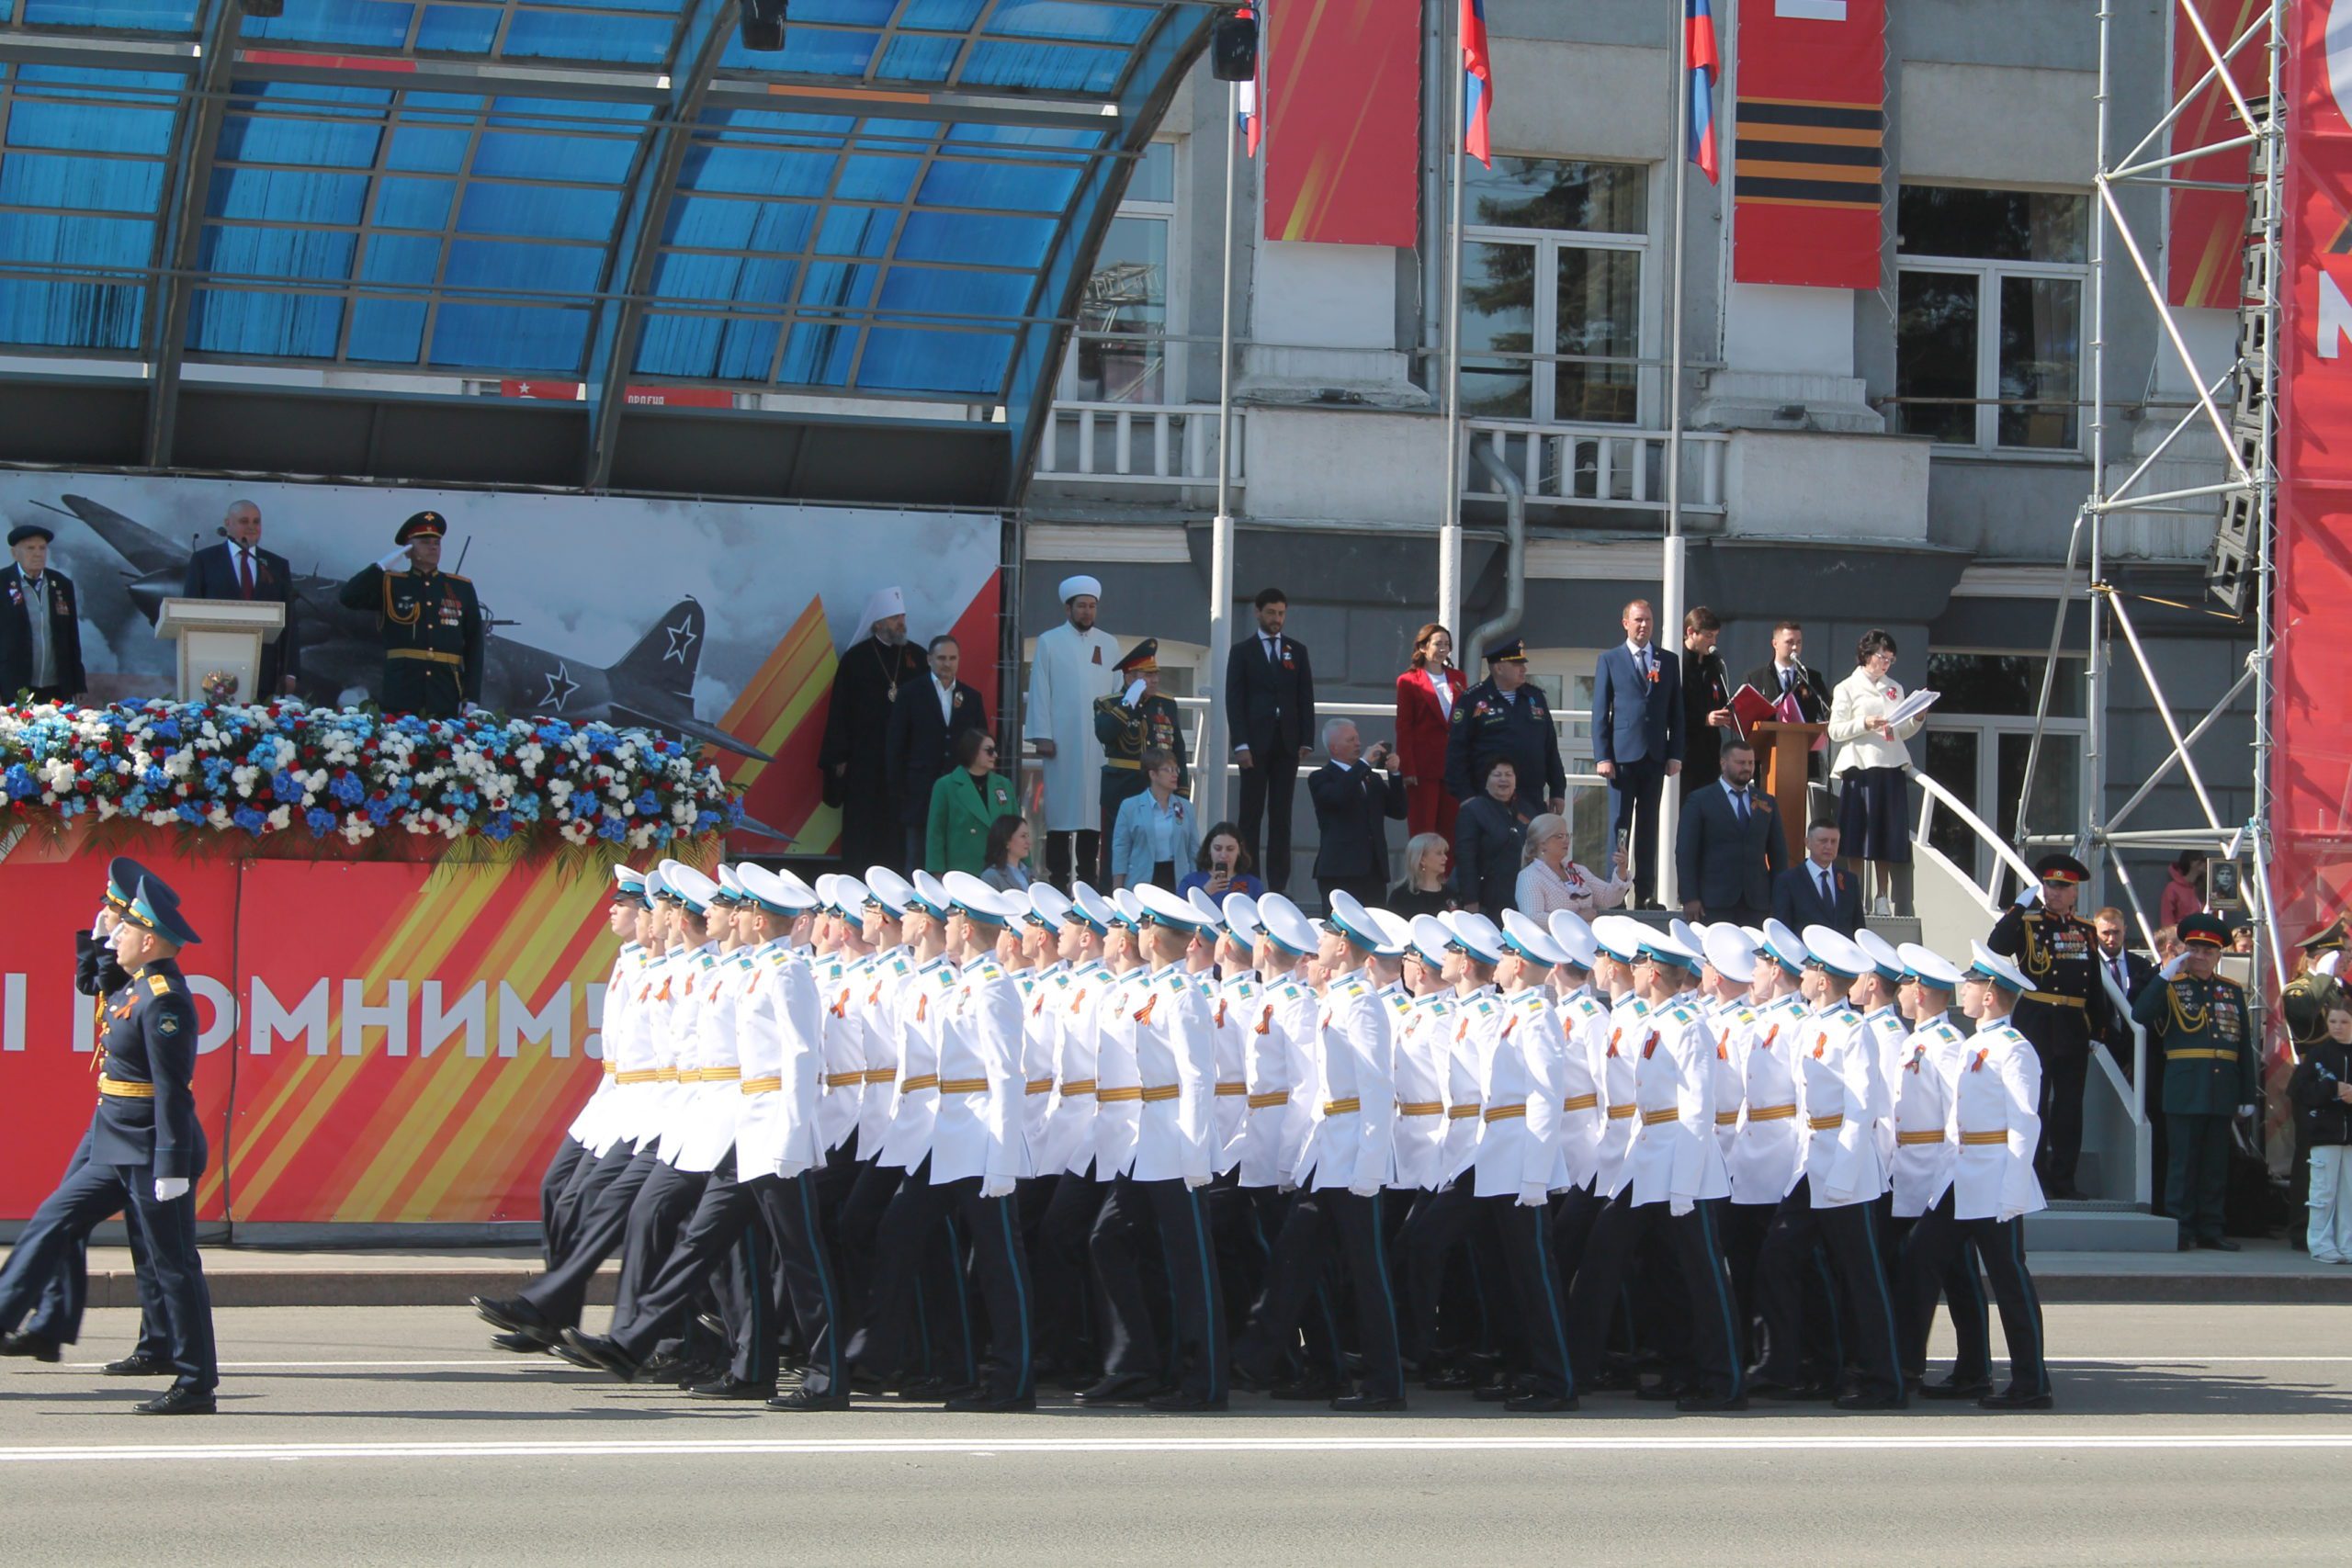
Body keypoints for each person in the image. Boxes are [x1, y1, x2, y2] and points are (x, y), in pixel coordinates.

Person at [0, 874, 217, 1414]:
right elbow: (99, 984)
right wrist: (98, 942)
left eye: (125, 929)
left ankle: (195, 1384)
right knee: (54, 1219)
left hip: (151, 1147)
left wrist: (172, 1164)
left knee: (173, 1262)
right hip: (115, 1139)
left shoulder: (165, 1002)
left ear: (149, 940)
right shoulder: (134, 986)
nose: (114, 932)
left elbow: (172, 1092)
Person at [1897, 942, 2054, 1411]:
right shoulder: (1973, 1044)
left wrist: (2013, 1191)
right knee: (1922, 1257)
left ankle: (2032, 1382)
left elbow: (2025, 1123)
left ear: (1989, 995)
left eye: (1970, 983)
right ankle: (1959, 1370)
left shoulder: (2014, 1049)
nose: (1961, 990)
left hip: (1995, 1180)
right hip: (1961, 1178)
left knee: (2009, 1280)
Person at [1988, 853, 2113, 1201]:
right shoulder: (2028, 923)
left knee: (2070, 1108)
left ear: (2075, 892)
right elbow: (1997, 946)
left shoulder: (2085, 930)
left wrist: (2098, 1028)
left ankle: (2064, 1180)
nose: (2054, 893)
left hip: (2072, 1024)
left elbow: (2093, 982)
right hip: (2036, 1020)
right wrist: (2016, 908)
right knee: (2035, 1103)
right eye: (2049, 885)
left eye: (2062, 887)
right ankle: (2034, 1177)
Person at [2132, 913, 2257, 1251]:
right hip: (2185, 1086)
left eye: (2209, 951)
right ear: (2185, 951)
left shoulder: (2230, 991)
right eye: (2196, 949)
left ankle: (2211, 1227)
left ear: (2219, 955)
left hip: (2222, 1087)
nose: (2201, 956)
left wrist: (2247, 1092)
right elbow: (2139, 1015)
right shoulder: (2172, 986)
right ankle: (2181, 1227)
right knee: (2182, 1163)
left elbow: (2243, 1045)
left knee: (2215, 1164)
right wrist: (2164, 977)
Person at [819, 585, 929, 873]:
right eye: (895, 618)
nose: (901, 623)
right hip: (865, 765)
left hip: (905, 766)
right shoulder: (856, 660)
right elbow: (841, 711)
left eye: (903, 616)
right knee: (863, 833)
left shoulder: (917, 657)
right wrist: (839, 758)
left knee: (898, 836)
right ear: (878, 622)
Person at [334, 511, 482, 719]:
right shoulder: (391, 583)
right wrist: (380, 567)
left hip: (446, 690)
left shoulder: (460, 587)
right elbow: (348, 597)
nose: (433, 547)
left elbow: (475, 644)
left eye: (437, 543)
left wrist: (471, 695)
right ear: (408, 550)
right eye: (424, 542)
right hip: (402, 689)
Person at [1026, 575, 1122, 892]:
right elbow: (1040, 689)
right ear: (1068, 609)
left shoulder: (1109, 644)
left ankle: (1088, 884)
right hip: (1062, 743)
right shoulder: (1049, 641)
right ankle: (1057, 882)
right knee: (1061, 816)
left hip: (1098, 744)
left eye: (1091, 607)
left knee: (1093, 814)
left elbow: (1117, 692)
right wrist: (1042, 735)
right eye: (1081, 606)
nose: (1086, 612)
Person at [1591, 598, 1683, 908]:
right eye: (1638, 620)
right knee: (1620, 826)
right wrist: (1602, 756)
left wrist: (1675, 753)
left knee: (1648, 826)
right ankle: (1615, 891)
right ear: (1625, 623)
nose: (1643, 626)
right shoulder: (1610, 659)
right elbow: (1600, 712)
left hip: (1654, 756)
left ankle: (1645, 893)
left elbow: (1676, 712)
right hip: (1621, 758)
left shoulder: (1667, 661)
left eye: (1648, 620)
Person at [1227, 587, 1317, 895]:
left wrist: (1307, 738)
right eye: (1271, 613)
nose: (1277, 619)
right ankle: (1249, 883)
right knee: (1250, 816)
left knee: (1282, 817)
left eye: (1281, 613)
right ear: (1257, 612)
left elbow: (1305, 697)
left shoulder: (1297, 650)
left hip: (1287, 744)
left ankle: (1278, 887)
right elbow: (1234, 700)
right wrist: (1240, 744)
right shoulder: (1242, 651)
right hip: (1253, 745)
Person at [1827, 628, 1922, 914]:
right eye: (1882, 657)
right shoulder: (1847, 687)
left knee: (1886, 833)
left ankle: (1882, 897)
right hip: (1860, 766)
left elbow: (1901, 729)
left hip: (1890, 765)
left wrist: (1916, 718)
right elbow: (1835, 730)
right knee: (1858, 833)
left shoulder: (1894, 687)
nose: (1886, 664)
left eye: (1891, 660)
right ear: (1867, 655)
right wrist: (1864, 723)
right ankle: (1857, 895)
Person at [889, 634, 989, 872]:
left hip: (959, 789)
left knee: (957, 855)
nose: (947, 663)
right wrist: (898, 787)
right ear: (929, 659)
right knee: (918, 855)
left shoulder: (972, 697)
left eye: (952, 658)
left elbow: (981, 744)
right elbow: (896, 744)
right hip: (920, 789)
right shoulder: (910, 693)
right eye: (942, 658)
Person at [180, 498, 300, 695]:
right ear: (228, 524)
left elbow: (290, 621)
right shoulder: (204, 560)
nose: (252, 527)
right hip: (213, 670)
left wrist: (291, 672)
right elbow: (189, 612)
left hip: (264, 671)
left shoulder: (276, 565)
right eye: (244, 521)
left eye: (256, 522)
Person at [1442, 637, 1564, 819]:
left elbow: (1550, 746)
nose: (1524, 669)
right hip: (1487, 798)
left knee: (1530, 846)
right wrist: (1465, 797)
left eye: (1523, 663)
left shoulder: (1535, 697)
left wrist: (1558, 789)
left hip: (1530, 797)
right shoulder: (1472, 699)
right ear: (1499, 668)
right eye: (1517, 664)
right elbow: (1456, 752)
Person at [1094, 638, 1187, 871]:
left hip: (1159, 789)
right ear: (1129, 679)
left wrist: (1182, 790)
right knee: (1118, 850)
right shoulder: (1108, 704)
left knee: (1160, 849)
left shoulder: (1166, 704)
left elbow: (1178, 750)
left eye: (1155, 673)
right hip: (1123, 787)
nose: (1155, 679)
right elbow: (1105, 734)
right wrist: (1128, 703)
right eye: (1146, 675)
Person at [1676, 737, 1787, 924]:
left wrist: (1779, 898)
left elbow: (1779, 854)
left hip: (1757, 902)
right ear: (1723, 763)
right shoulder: (1700, 800)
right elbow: (1685, 852)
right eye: (1740, 762)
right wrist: (1689, 897)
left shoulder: (1767, 802)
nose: (1747, 767)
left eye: (1751, 762)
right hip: (1712, 902)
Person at [1306, 717, 1407, 912]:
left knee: (1374, 926)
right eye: (1350, 740)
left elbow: (1398, 811)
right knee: (1340, 927)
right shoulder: (1320, 777)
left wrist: (1395, 775)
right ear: (1334, 748)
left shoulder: (1371, 778)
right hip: (1340, 870)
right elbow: (1337, 797)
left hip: (1373, 871)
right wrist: (1362, 765)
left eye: (1357, 738)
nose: (1358, 744)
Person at [1395, 623, 1468, 846]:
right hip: (1423, 767)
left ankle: (1447, 880)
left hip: (1453, 767)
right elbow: (1404, 726)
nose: (1443, 649)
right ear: (1424, 647)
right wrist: (1408, 768)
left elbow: (1463, 722)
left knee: (1451, 832)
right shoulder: (1408, 681)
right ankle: (1421, 880)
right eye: (1438, 644)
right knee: (1423, 830)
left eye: (1447, 644)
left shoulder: (1458, 678)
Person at [2290, 996, 2352, 1264]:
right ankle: (2320, 1242)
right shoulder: (2319, 1053)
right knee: (2323, 1190)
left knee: (2349, 1192)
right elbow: (2299, 1090)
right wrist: (2331, 1089)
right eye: (2333, 1021)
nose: (2338, 1027)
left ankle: (2347, 1243)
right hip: (2325, 1132)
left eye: (2344, 1022)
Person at [2, 522, 86, 703]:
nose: (37, 553)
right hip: (13, 685)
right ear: (14, 553)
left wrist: (78, 683)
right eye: (30, 548)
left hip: (56, 686)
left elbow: (72, 636)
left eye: (42, 548)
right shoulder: (2, 583)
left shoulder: (61, 584)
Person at [924, 728, 1018, 876]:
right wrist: (937, 873)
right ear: (972, 751)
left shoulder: (1004, 785)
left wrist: (1027, 869)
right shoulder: (945, 786)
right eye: (989, 750)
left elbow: (1018, 830)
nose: (995, 755)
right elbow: (936, 834)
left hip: (1001, 873)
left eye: (995, 749)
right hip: (963, 874)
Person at [1110, 747, 1199, 890]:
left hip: (1177, 879)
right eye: (1168, 770)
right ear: (1153, 774)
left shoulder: (1185, 807)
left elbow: (1194, 850)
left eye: (1176, 770)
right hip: (1142, 879)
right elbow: (1121, 849)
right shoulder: (1130, 807)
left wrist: (1196, 886)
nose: (1175, 774)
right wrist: (1118, 889)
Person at [1512, 813, 1629, 921]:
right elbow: (1534, 918)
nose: (1567, 840)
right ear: (1542, 843)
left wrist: (1622, 869)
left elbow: (1609, 898)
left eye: (1567, 835)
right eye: (1560, 836)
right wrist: (1577, 918)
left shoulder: (1576, 870)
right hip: (1553, 943)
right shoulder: (1529, 876)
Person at [1453, 757, 1531, 916]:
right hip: (1487, 898)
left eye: (1509, 774)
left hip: (1522, 896)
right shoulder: (1474, 810)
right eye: (1497, 774)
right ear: (1486, 781)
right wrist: (1470, 899)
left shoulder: (1526, 809)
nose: (1504, 779)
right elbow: (1465, 857)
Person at [1771, 820, 1862, 937]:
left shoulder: (1850, 881)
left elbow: (1858, 929)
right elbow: (1782, 930)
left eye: (1834, 842)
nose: (1829, 846)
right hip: (1805, 952)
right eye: (1823, 841)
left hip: (1842, 953)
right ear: (1807, 842)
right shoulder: (1788, 881)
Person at [1680, 606, 1735, 793]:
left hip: (1710, 751)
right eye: (1709, 636)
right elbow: (1675, 709)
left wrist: (1727, 713)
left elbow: (1719, 699)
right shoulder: (1678, 663)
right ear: (1690, 632)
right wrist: (1704, 719)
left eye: (1715, 636)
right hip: (1686, 752)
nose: (1713, 642)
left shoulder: (1714, 665)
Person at [1741, 619, 1831, 724]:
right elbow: (1745, 717)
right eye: (1789, 642)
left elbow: (1827, 710)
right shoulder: (1755, 678)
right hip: (1768, 738)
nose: (1795, 647)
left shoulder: (1811, 677)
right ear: (1775, 644)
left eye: (1799, 642)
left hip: (1802, 738)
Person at [1176, 820, 1265, 904]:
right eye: (1218, 848)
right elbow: (1183, 913)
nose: (1223, 855)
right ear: (1209, 849)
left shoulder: (1253, 884)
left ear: (1239, 850)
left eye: (1230, 849)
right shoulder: (1190, 882)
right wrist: (1204, 892)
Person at [1386, 832, 1455, 917]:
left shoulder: (1451, 894)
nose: (1445, 858)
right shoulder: (1400, 896)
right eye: (1439, 853)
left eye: (1444, 853)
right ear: (1422, 859)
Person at [980, 812, 1035, 895]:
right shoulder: (991, 876)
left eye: (1028, 836)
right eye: (1023, 836)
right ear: (1006, 840)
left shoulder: (1030, 874)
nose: (1028, 842)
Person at [2160, 852, 2206, 930]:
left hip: (2204, 936)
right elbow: (2167, 920)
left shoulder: (2204, 887)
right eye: (2203, 860)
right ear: (2192, 863)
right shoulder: (2173, 888)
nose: (2207, 863)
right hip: (2182, 937)